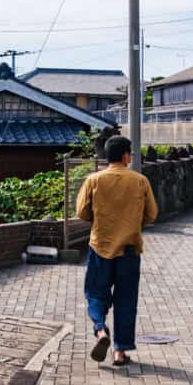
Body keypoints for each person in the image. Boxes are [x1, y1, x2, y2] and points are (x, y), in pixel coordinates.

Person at [75, 135, 158, 367]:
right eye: (130, 153)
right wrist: (132, 224)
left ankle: (101, 331)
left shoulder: (94, 180)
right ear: (124, 156)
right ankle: (120, 352)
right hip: (129, 251)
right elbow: (152, 214)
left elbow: (82, 212)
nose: (131, 157)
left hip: (100, 247)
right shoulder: (140, 181)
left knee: (95, 294)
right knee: (126, 301)